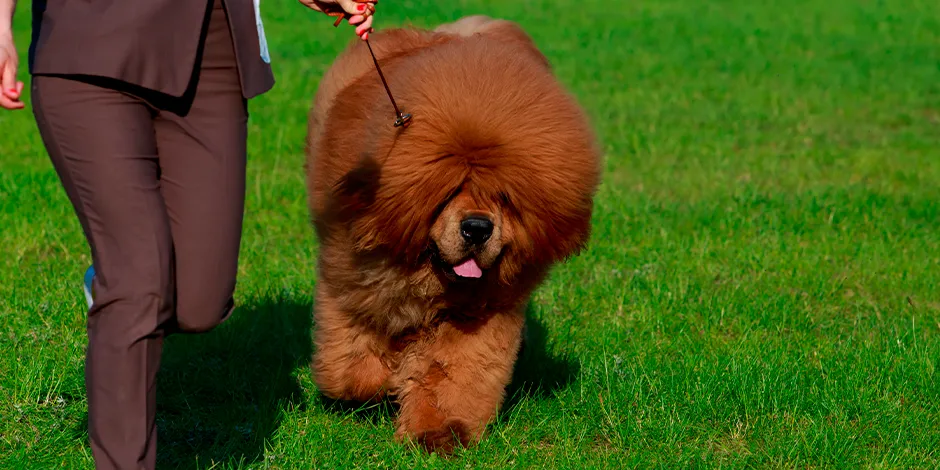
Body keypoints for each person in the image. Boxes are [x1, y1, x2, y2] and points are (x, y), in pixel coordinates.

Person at [0, 0, 377, 468]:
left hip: (212, 48)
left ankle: (117, 285)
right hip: (90, 45)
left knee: (200, 301)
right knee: (138, 283)